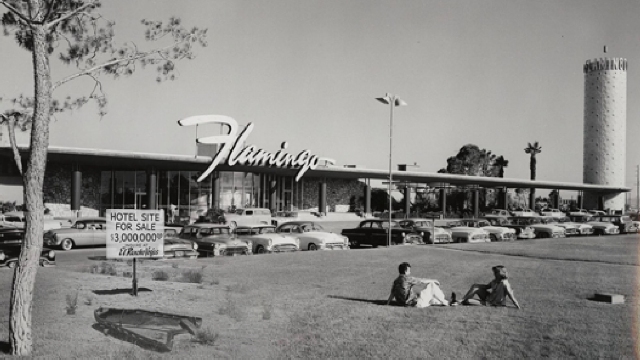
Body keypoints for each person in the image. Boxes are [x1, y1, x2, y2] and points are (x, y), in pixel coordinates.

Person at [456, 265, 520, 309]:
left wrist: (516, 303)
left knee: (468, 301)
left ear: (500, 274)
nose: (494, 274)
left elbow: (510, 294)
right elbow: (487, 286)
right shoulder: (494, 281)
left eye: (495, 272)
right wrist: (476, 285)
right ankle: (462, 300)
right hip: (488, 297)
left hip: (492, 303)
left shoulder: (505, 283)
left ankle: (463, 301)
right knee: (475, 286)